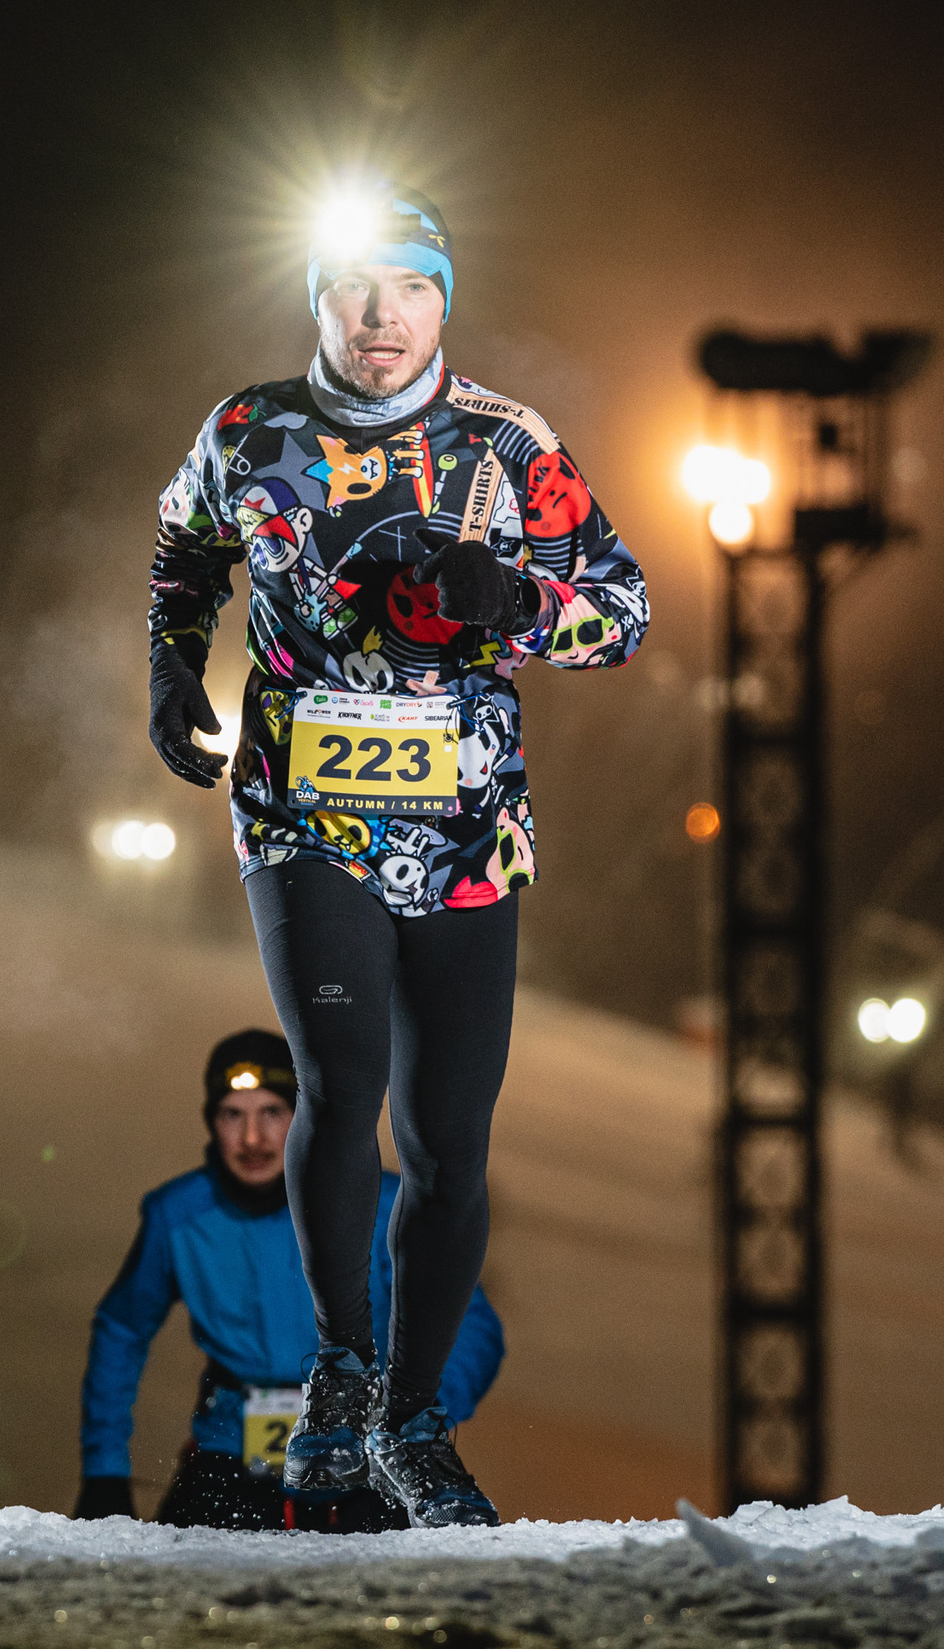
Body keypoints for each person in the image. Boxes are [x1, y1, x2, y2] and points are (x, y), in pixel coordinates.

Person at [143, 181, 646, 1526]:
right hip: (304, 814)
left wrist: (512, 600)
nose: (381, 319)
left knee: (449, 1141)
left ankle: (412, 1424)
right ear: (317, 296)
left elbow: (624, 607)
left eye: (411, 289)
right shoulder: (250, 430)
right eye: (356, 288)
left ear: (445, 300)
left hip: (470, 830)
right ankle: (342, 1378)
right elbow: (184, 545)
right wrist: (170, 665)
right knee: (342, 1073)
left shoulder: (506, 441)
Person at [73, 1030, 503, 1531]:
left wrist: (415, 1416)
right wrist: (104, 1470)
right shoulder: (179, 1216)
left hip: (366, 1458)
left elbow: (472, 1323)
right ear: (211, 1123)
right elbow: (121, 1329)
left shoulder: (386, 1207)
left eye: (271, 1113)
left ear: (304, 1117)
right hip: (228, 1453)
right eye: (233, 1114)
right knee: (175, 1601)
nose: (252, 1138)